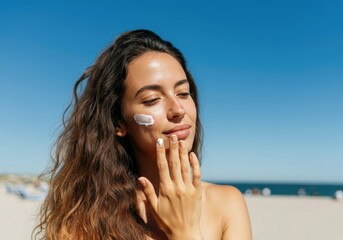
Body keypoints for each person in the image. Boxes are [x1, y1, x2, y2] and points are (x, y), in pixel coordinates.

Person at [34, 29, 252, 240]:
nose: (178, 110)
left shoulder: (227, 204)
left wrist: (186, 233)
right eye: (151, 99)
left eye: (183, 93)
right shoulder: (87, 220)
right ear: (118, 122)